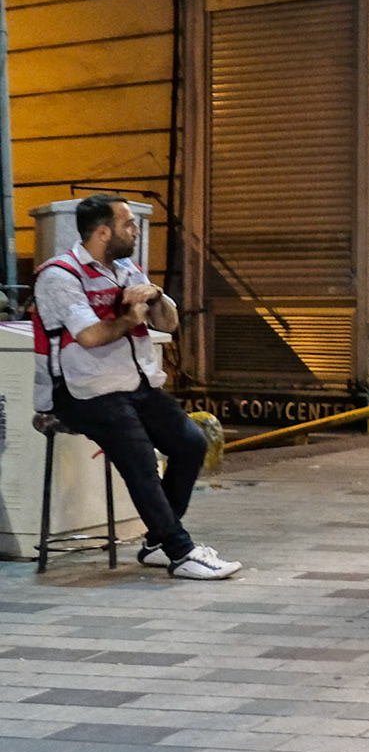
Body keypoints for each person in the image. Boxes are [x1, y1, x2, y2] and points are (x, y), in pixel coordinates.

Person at [34, 196, 237, 580]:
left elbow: (170, 323)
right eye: (128, 224)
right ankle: (181, 552)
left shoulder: (128, 268)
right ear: (102, 232)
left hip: (133, 384)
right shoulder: (60, 276)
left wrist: (155, 295)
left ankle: (159, 541)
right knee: (141, 457)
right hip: (81, 391)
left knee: (191, 443)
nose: (136, 230)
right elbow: (91, 335)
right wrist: (130, 318)